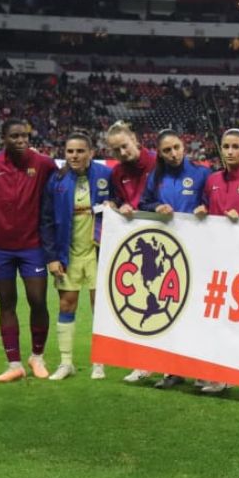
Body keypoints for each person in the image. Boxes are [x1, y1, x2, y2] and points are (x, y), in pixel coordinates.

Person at [127, 128, 210, 389]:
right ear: (160, 154)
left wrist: (205, 207)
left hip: (199, 253)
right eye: (167, 151)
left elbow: (213, 201)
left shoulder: (201, 173)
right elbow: (144, 203)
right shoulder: (156, 176)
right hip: (168, 256)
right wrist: (156, 208)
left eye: (176, 148)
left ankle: (201, 370)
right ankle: (172, 370)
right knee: (170, 312)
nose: (173, 154)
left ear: (184, 146)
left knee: (197, 314)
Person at [0, 119, 57, 383]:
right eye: (14, 136)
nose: (21, 140)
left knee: (37, 300)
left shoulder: (43, 164)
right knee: (6, 304)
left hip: (32, 245)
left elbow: (64, 185)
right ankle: (14, 363)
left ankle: (37, 356)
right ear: (4, 138)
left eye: (24, 135)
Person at [194, 129, 239, 395]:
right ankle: (219, 376)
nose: (230, 151)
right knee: (218, 321)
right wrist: (200, 211)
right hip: (216, 261)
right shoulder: (211, 180)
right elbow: (204, 207)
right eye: (226, 146)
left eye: (236, 146)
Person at [40, 131, 112, 381]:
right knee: (66, 304)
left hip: (97, 252)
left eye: (80, 151)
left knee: (98, 308)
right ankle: (66, 362)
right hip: (67, 253)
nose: (74, 156)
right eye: (70, 151)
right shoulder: (56, 179)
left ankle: (99, 363)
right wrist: (51, 256)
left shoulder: (105, 175)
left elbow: (122, 203)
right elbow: (47, 220)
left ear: (91, 153)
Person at [105, 121, 159, 384]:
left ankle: (175, 366)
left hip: (166, 242)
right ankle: (142, 363)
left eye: (124, 146)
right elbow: (117, 200)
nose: (122, 153)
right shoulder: (117, 174)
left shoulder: (158, 163)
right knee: (142, 303)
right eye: (116, 151)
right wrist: (116, 205)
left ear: (135, 139)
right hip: (138, 245)